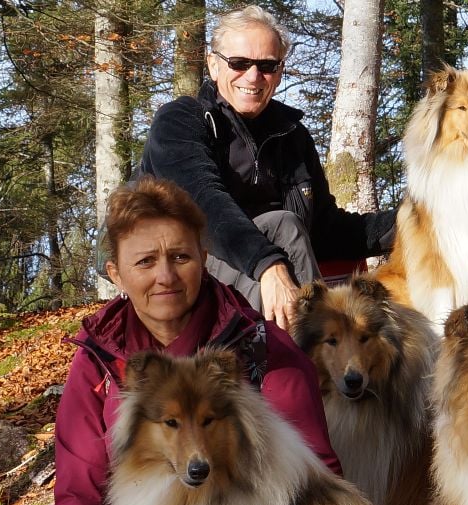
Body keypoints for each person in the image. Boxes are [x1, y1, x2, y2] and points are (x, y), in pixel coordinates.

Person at [54, 176, 341, 505]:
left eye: (180, 257)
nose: (166, 277)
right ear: (115, 273)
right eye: (144, 262)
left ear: (204, 258)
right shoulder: (97, 361)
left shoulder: (265, 351)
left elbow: (317, 484)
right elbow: (78, 493)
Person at [137, 4, 395, 331]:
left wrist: (412, 222)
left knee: (285, 224)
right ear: (213, 65)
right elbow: (203, 207)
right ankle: (287, 364)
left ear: (280, 70)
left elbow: (327, 230)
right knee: (279, 232)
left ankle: (308, 364)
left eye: (267, 65)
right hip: (180, 268)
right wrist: (267, 265)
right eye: (239, 63)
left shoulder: (292, 137)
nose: (253, 76)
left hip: (265, 266)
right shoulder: (181, 122)